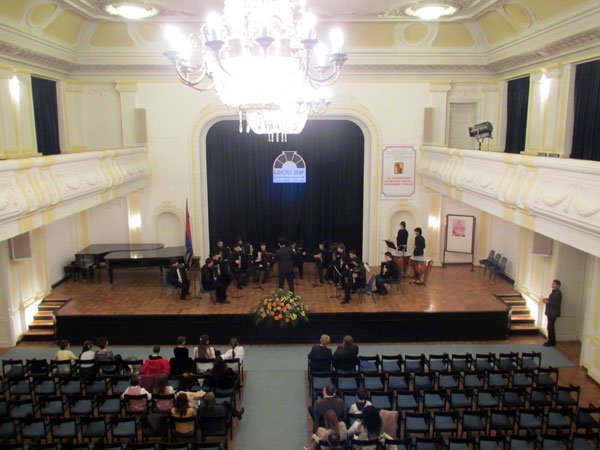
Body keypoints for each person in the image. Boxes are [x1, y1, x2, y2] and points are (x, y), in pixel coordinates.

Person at [542, 279, 562, 347]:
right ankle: (550, 341)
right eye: (552, 283)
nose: (552, 285)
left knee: (550, 327)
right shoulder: (554, 292)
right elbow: (552, 300)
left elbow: (556, 303)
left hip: (553, 313)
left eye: (553, 284)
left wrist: (548, 301)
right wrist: (546, 299)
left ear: (558, 285)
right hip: (551, 312)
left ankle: (551, 342)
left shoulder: (558, 293)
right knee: (550, 327)